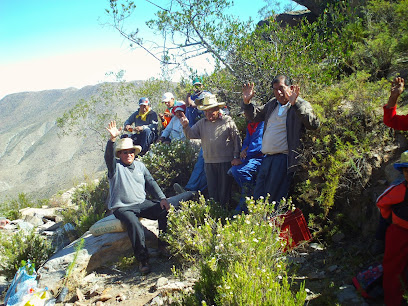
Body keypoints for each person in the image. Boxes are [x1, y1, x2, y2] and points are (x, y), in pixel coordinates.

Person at [242, 75, 320, 205]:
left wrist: (296, 104)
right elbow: (254, 116)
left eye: (281, 88)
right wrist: (246, 103)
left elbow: (313, 124)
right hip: (267, 158)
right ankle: (259, 224)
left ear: (290, 88)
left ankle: (272, 224)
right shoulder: (272, 104)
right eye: (275, 89)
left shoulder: (300, 104)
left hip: (283, 159)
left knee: (273, 199)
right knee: (258, 197)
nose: (278, 92)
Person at [105, 121, 170, 274]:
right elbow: (108, 157)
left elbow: (151, 183)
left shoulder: (140, 166)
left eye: (131, 151)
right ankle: (143, 259)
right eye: (125, 152)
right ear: (120, 154)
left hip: (141, 203)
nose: (129, 154)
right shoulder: (115, 167)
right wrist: (112, 140)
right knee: (134, 224)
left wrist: (162, 198)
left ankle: (163, 245)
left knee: (164, 211)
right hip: (122, 207)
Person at [180, 93, 241, 208]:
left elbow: (236, 138)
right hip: (209, 163)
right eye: (205, 111)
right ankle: (215, 213)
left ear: (217, 110)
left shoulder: (227, 121)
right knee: (213, 191)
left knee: (224, 192)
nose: (208, 114)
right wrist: (186, 126)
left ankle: (224, 214)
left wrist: (236, 156)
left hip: (225, 162)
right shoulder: (202, 123)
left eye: (211, 111)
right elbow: (191, 135)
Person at [376, 150, 408, 306]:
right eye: (407, 170)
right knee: (393, 269)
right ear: (402, 172)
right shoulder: (399, 190)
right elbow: (382, 203)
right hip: (399, 233)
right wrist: (391, 219)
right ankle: (393, 302)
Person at [229, 111, 264, 213]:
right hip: (251, 157)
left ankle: (249, 196)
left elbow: (258, 145)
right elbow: (247, 142)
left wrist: (242, 158)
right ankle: (248, 194)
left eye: (247, 114)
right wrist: (243, 152)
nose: (246, 116)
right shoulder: (250, 125)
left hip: (261, 158)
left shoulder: (261, 123)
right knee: (235, 170)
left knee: (240, 171)